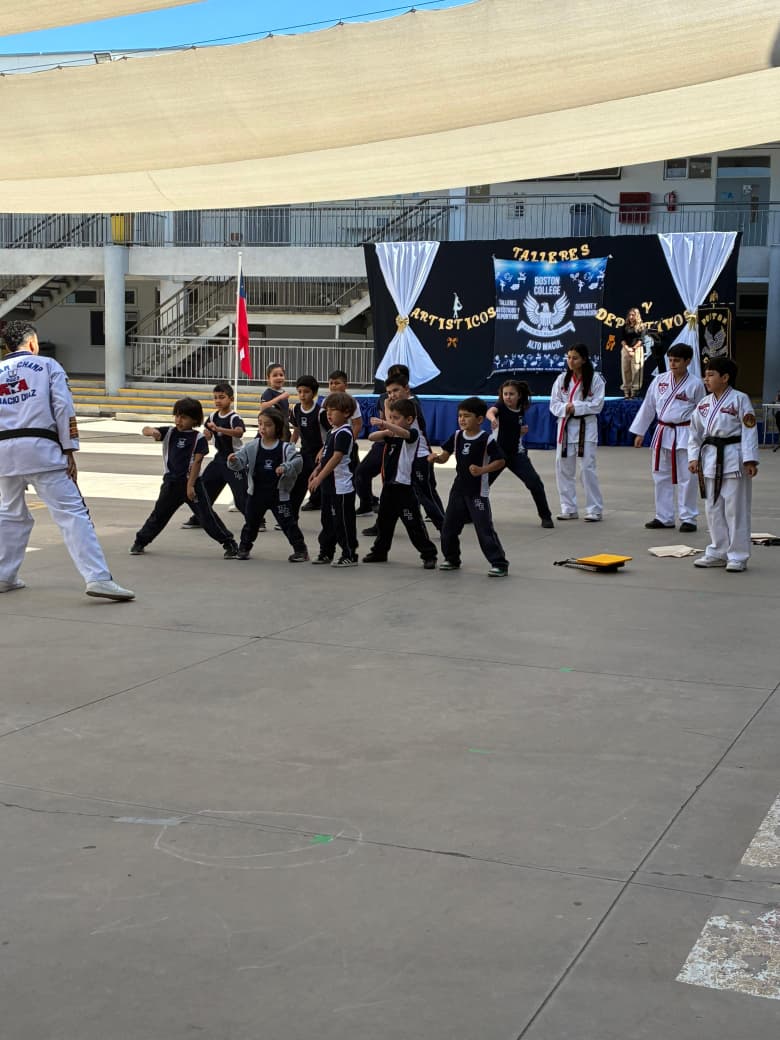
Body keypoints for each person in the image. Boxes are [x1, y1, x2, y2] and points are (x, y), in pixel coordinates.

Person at [0, 320, 134, 600]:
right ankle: (98, 578)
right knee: (72, 514)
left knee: (10, 514)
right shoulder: (47, 366)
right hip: (41, 450)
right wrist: (69, 449)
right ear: (32, 343)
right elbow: (63, 406)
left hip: (3, 453)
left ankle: (4, 575)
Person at [129, 398, 239, 558]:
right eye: (177, 416)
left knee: (206, 516)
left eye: (184, 417)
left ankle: (229, 543)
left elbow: (197, 462)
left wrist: (190, 486)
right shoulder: (169, 432)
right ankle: (140, 542)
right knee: (159, 515)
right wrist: (152, 431)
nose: (179, 420)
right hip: (171, 484)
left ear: (194, 420)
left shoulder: (198, 438)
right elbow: (146, 429)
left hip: (192, 484)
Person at [688, 357, 759, 572]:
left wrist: (750, 459)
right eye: (705, 375)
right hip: (710, 458)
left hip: (734, 459)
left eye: (711, 375)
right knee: (713, 508)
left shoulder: (740, 399)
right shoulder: (704, 403)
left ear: (725, 378)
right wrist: (693, 457)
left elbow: (749, 430)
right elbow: (694, 433)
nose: (706, 379)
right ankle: (718, 551)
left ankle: (738, 555)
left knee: (735, 510)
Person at [629, 344, 705, 532]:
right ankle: (664, 517)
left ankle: (688, 518)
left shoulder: (695, 384)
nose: (672, 364)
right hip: (663, 431)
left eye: (677, 360)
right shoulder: (659, 380)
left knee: (687, 477)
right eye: (670, 360)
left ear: (688, 361)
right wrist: (640, 432)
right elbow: (648, 406)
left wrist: (700, 440)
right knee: (661, 475)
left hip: (685, 433)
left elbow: (702, 413)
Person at [431, 396, 509, 577]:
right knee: (449, 527)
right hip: (458, 489)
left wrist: (482, 470)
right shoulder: (457, 436)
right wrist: (435, 458)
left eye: (467, 416)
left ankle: (499, 563)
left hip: (477, 492)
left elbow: (500, 461)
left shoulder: (486, 439)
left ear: (480, 419)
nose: (462, 419)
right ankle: (451, 559)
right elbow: (444, 457)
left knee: (484, 528)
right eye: (460, 416)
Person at [362, 399, 438, 569]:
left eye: (396, 418)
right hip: (389, 487)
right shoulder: (391, 436)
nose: (392, 421)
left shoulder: (412, 435)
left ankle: (429, 554)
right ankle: (379, 551)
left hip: (405, 489)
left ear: (409, 419)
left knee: (413, 524)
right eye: (391, 418)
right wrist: (385, 431)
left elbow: (404, 433)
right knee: (384, 523)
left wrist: (385, 423)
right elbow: (371, 437)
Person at [227, 408, 308, 562]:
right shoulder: (252, 446)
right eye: (260, 424)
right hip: (256, 494)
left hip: (278, 495)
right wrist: (233, 460)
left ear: (277, 427)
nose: (263, 428)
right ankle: (244, 548)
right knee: (251, 523)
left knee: (288, 523)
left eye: (268, 425)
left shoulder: (285, 448)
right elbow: (240, 462)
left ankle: (300, 550)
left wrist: (286, 467)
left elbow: (298, 462)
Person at [486, 379, 554, 529]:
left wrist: (521, 431)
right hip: (498, 454)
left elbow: (515, 427)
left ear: (519, 396)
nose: (508, 397)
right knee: (482, 485)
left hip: (516, 454)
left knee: (535, 483)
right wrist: (492, 419)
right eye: (505, 394)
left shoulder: (521, 409)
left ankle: (546, 516)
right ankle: (469, 513)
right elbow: (490, 412)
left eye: (511, 394)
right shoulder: (500, 407)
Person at [549, 344, 606, 522]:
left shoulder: (595, 379)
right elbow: (553, 405)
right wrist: (566, 407)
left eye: (575, 358)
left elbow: (598, 405)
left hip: (586, 427)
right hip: (565, 427)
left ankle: (595, 509)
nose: (570, 361)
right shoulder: (561, 379)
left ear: (584, 359)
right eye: (568, 357)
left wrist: (577, 407)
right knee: (563, 469)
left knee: (587, 469)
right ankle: (568, 508)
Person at [181, 381, 246, 530]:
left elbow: (239, 432)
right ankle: (200, 517)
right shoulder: (212, 416)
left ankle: (257, 519)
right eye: (215, 397)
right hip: (219, 458)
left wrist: (219, 429)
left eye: (221, 397)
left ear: (231, 399)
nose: (218, 401)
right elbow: (209, 433)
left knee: (241, 494)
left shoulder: (234, 417)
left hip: (234, 459)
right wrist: (208, 434)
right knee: (205, 487)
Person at [308, 391, 359, 568]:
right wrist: (317, 470)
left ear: (346, 413)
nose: (328, 414)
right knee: (327, 521)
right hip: (329, 486)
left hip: (341, 487)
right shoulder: (332, 432)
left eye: (333, 410)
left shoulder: (344, 433)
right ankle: (326, 551)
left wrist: (319, 478)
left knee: (343, 523)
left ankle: (349, 554)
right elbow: (326, 456)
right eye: (327, 410)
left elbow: (337, 457)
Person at [289, 375, 323, 516]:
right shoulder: (296, 409)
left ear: (314, 393)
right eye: (300, 391)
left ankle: (317, 501)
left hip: (318, 452)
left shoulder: (320, 412)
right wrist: (290, 446)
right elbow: (296, 430)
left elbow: (329, 435)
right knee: (299, 482)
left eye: (306, 392)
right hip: (304, 451)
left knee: (318, 479)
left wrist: (323, 450)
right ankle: (292, 515)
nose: (302, 395)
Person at [619, 307, 646, 399]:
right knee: (625, 370)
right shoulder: (625, 326)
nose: (631, 317)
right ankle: (626, 392)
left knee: (636, 370)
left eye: (633, 315)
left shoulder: (641, 326)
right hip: (626, 349)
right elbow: (622, 339)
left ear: (637, 316)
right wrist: (627, 348)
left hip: (637, 350)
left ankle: (634, 392)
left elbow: (641, 340)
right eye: (630, 315)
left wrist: (633, 349)